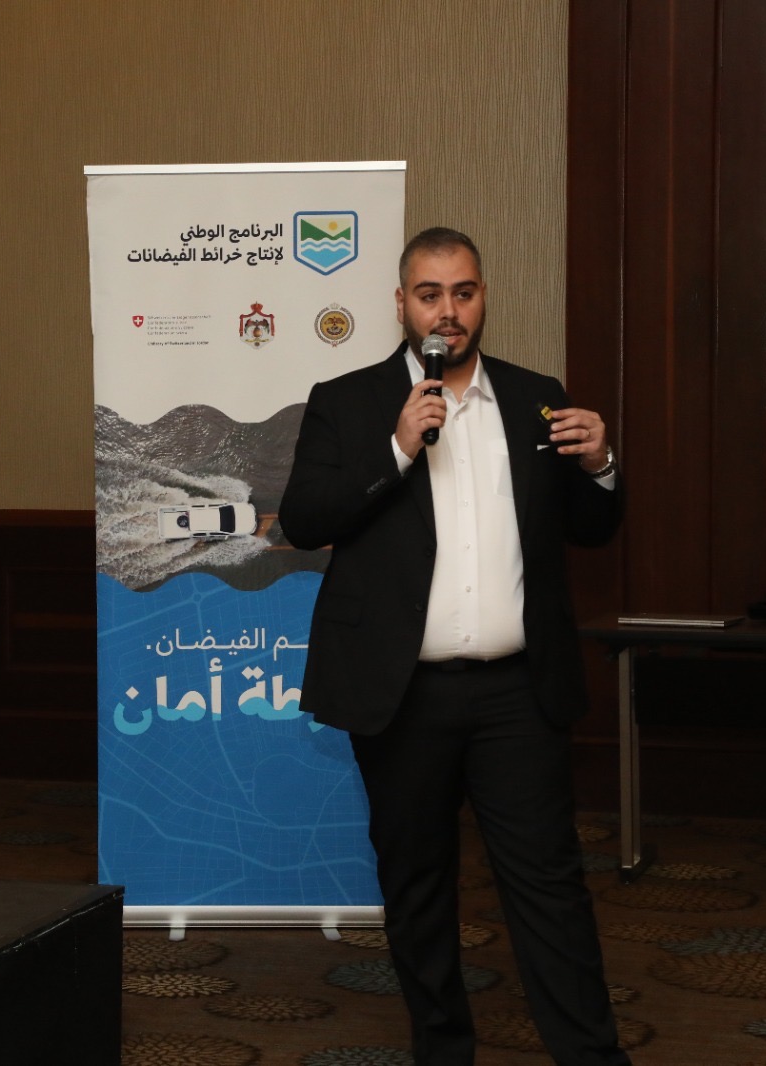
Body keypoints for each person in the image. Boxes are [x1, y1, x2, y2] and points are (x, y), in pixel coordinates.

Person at [280, 227, 629, 1065]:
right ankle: (443, 1052)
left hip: (518, 693)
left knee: (549, 886)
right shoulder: (348, 400)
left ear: (482, 299)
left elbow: (591, 531)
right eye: (430, 294)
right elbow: (303, 520)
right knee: (418, 888)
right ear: (401, 304)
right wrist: (397, 448)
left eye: (463, 293)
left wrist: (601, 465)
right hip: (404, 694)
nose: (448, 311)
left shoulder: (536, 397)